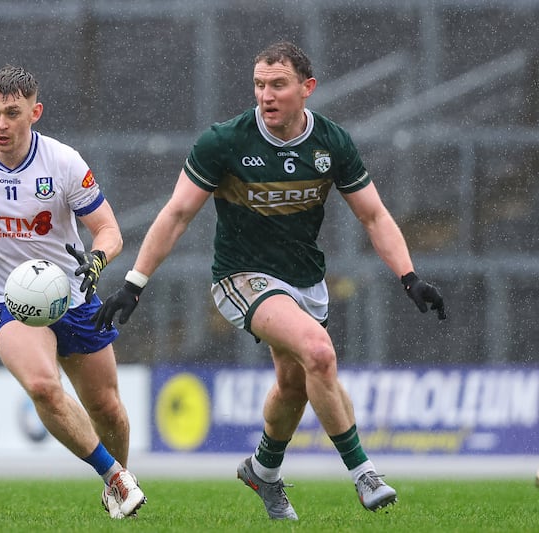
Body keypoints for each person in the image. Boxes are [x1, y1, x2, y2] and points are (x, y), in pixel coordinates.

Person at [94, 41, 446, 520]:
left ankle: (263, 470)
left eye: (278, 84)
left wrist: (410, 278)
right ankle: (363, 472)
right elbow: (177, 214)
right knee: (319, 352)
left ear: (307, 88)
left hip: (305, 281)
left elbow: (374, 216)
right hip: (241, 278)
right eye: (259, 85)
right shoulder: (225, 142)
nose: (266, 95)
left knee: (295, 385)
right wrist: (134, 284)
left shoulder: (332, 143)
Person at [0, 65, 145, 519]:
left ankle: (120, 482)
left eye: (12, 113)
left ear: (34, 112)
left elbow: (109, 230)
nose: (1, 124)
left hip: (73, 296)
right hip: (7, 299)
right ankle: (113, 476)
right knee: (42, 386)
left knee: (108, 409)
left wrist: (98, 260)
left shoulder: (63, 162)